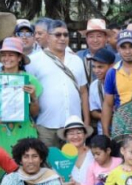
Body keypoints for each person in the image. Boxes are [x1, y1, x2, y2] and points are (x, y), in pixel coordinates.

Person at [26, 20, 90, 148]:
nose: (62, 38)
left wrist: (86, 121)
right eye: (58, 35)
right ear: (48, 37)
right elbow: (28, 94)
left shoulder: (76, 60)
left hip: (73, 127)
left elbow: (83, 92)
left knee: (73, 164)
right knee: (47, 164)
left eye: (65, 35)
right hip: (46, 126)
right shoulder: (34, 61)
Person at [0, 37, 42, 151]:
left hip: (24, 131)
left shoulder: (30, 80)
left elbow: (34, 113)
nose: (6, 58)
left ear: (19, 58)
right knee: (1, 164)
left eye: (11, 55)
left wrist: (33, 97)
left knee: (26, 164)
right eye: (4, 55)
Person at [88, 49, 116, 134]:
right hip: (102, 130)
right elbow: (93, 111)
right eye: (94, 67)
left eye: (100, 67)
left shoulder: (121, 82)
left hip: (121, 129)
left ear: (111, 66)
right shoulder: (94, 85)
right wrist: (105, 116)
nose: (96, 70)